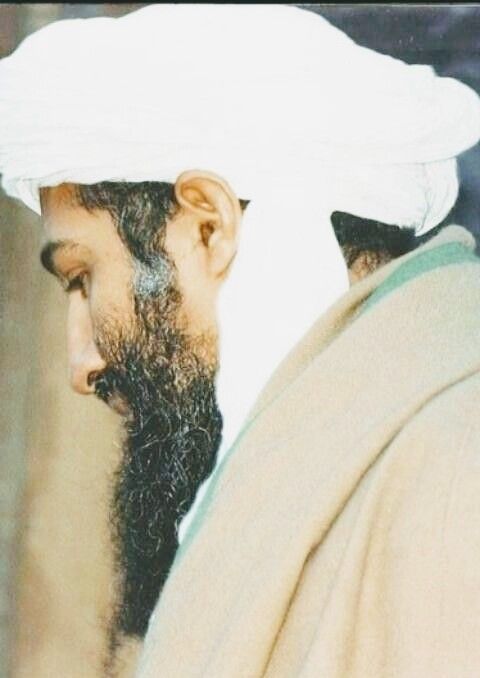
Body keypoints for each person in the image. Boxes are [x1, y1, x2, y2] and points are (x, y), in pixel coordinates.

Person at [2, 5, 480, 677]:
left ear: (208, 226)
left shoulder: (454, 474)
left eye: (82, 277)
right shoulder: (350, 458)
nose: (82, 363)